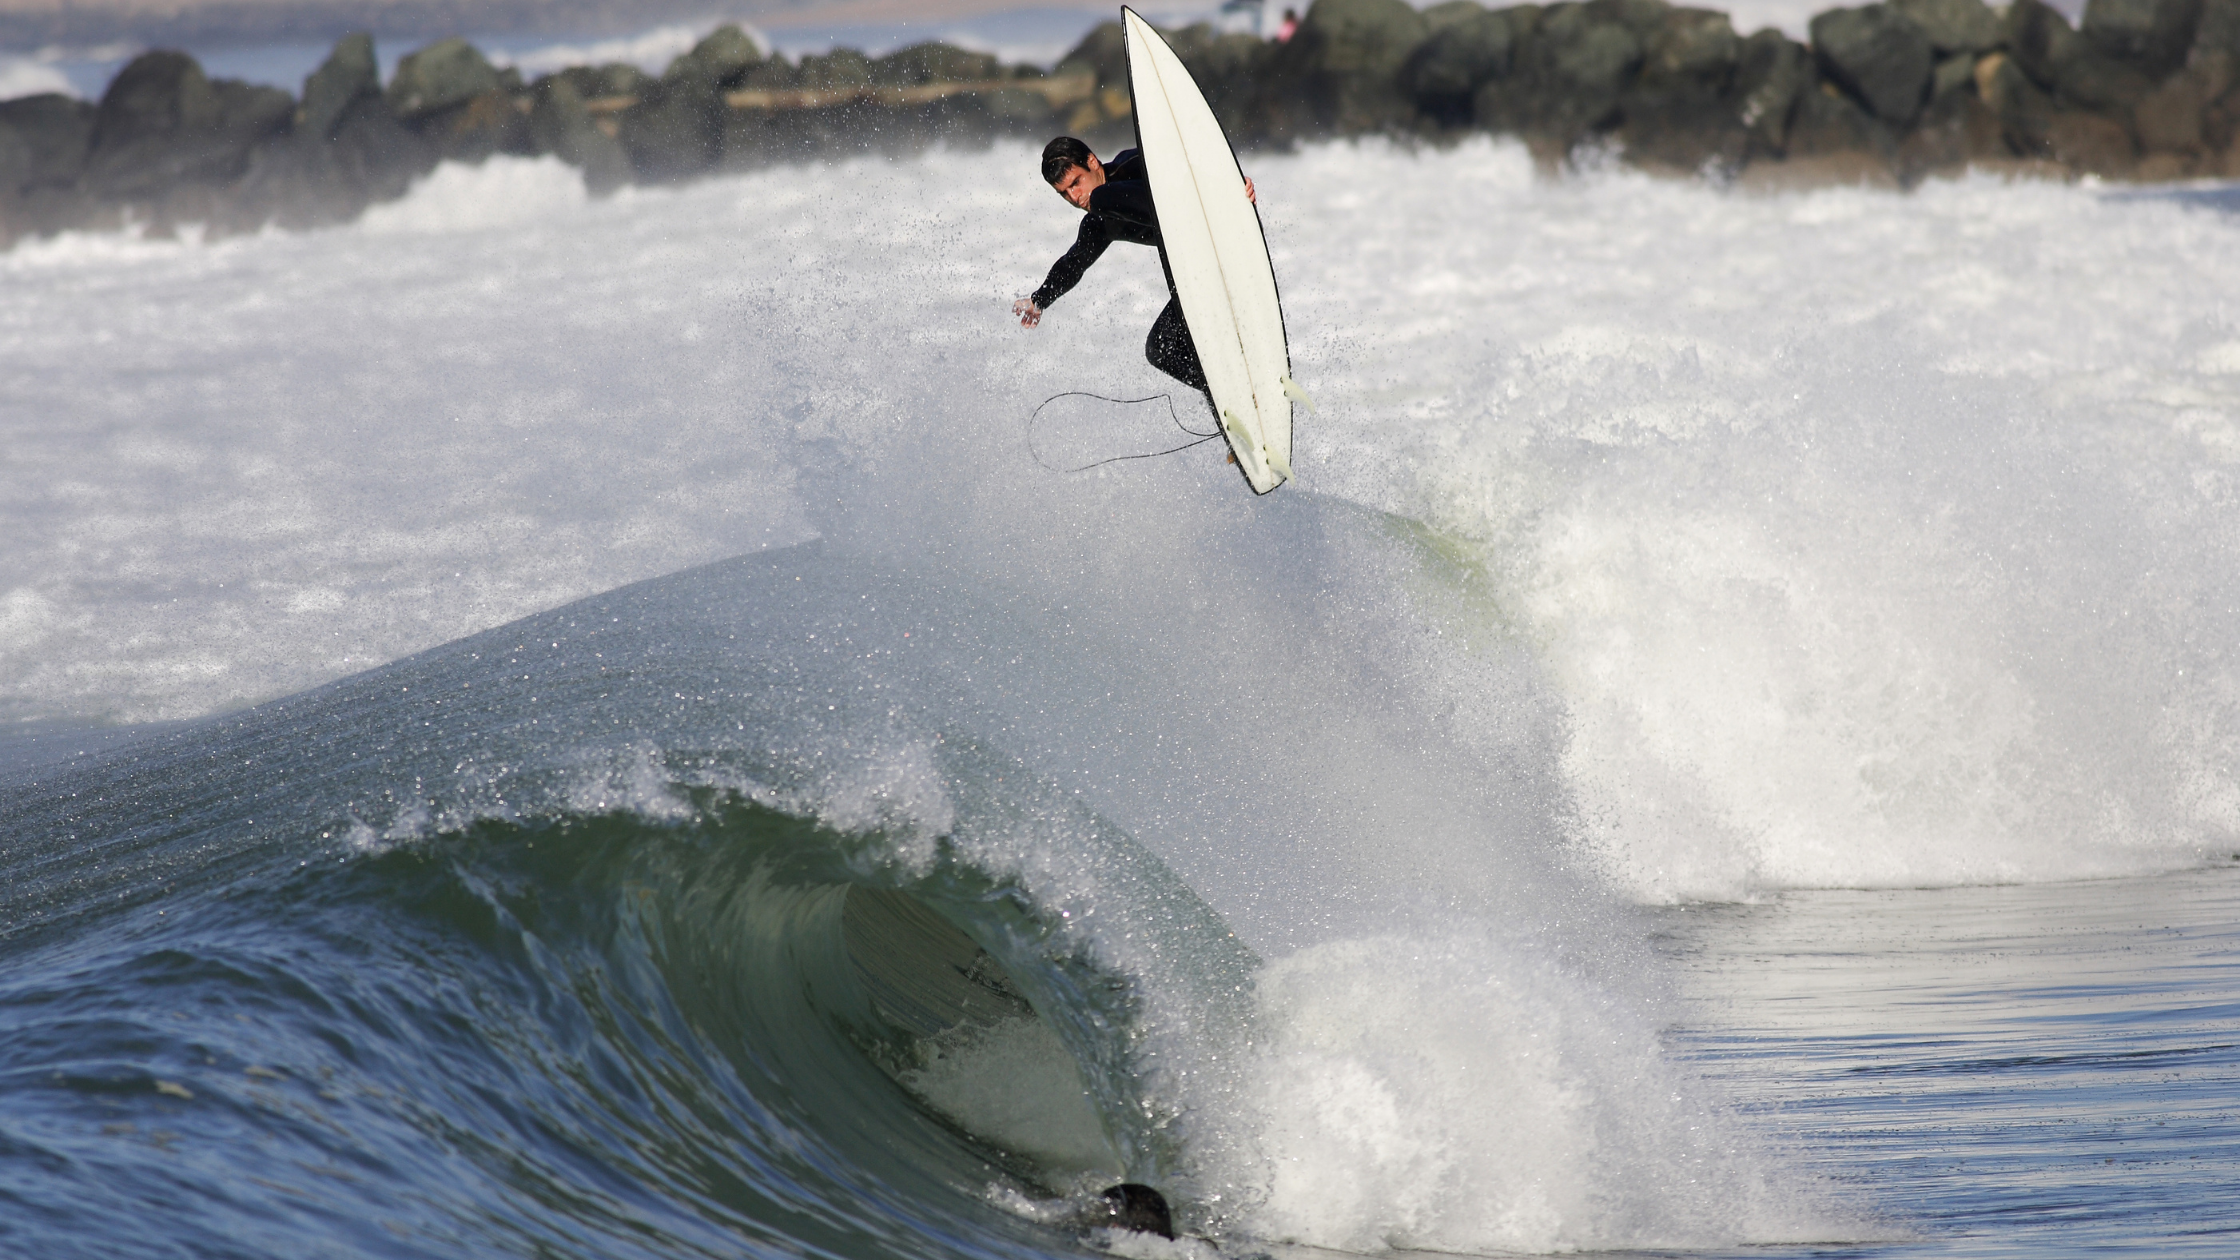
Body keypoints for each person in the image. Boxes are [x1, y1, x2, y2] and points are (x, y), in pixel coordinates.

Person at [1014, 136, 1254, 411]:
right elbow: (1074, 262)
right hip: (1198, 272)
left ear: (1092, 162)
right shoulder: (1099, 223)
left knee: (1103, 198)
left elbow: (1188, 155)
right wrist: (1039, 299)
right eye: (1064, 193)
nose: (1075, 197)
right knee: (1161, 348)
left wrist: (1232, 181)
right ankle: (1232, 401)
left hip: (1220, 234)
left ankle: (1237, 393)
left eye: (1076, 182)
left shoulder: (1131, 165)